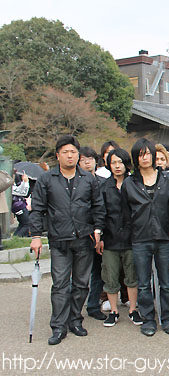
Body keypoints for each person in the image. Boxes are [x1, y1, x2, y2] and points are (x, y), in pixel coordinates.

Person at [29, 135, 106, 345]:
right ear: (58, 155)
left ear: (78, 155)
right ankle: (58, 326)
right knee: (60, 284)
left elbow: (98, 207)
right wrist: (36, 236)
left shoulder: (88, 179)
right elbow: (37, 209)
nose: (69, 155)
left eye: (73, 152)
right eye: (65, 152)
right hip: (59, 239)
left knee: (81, 284)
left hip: (84, 238)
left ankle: (75, 320)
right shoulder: (47, 179)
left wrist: (98, 230)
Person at [122, 138, 169, 337]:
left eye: (147, 154)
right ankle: (148, 319)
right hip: (140, 238)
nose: (144, 158)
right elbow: (125, 213)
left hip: (164, 236)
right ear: (135, 158)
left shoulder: (167, 179)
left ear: (154, 156)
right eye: (140, 155)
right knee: (144, 283)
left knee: (166, 282)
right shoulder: (129, 183)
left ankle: (168, 318)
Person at [98, 148, 142, 328]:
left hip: (132, 238)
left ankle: (133, 309)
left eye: (120, 162)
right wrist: (99, 235)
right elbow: (99, 212)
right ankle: (114, 311)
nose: (117, 166)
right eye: (113, 162)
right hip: (110, 239)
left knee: (132, 276)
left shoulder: (134, 183)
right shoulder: (103, 187)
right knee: (110, 276)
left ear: (126, 164)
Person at [79, 146, 107, 321]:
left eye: (90, 159)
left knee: (98, 271)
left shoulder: (104, 182)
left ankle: (93, 305)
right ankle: (72, 307)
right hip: (80, 232)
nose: (87, 162)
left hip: (98, 231)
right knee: (79, 273)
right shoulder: (75, 183)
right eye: (83, 159)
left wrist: (101, 232)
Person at [11, 172, 31, 237]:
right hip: (18, 206)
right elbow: (23, 192)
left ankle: (15, 236)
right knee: (27, 223)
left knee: (22, 223)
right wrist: (26, 182)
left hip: (19, 205)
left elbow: (19, 190)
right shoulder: (10, 186)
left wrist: (23, 182)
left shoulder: (13, 184)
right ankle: (18, 236)